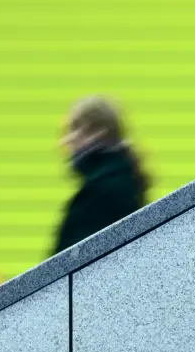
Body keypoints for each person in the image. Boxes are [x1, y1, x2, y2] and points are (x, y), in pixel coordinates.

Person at [53, 95, 150, 255]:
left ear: (98, 131)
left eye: (75, 128)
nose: (66, 140)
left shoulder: (101, 191)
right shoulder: (121, 179)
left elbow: (69, 261)